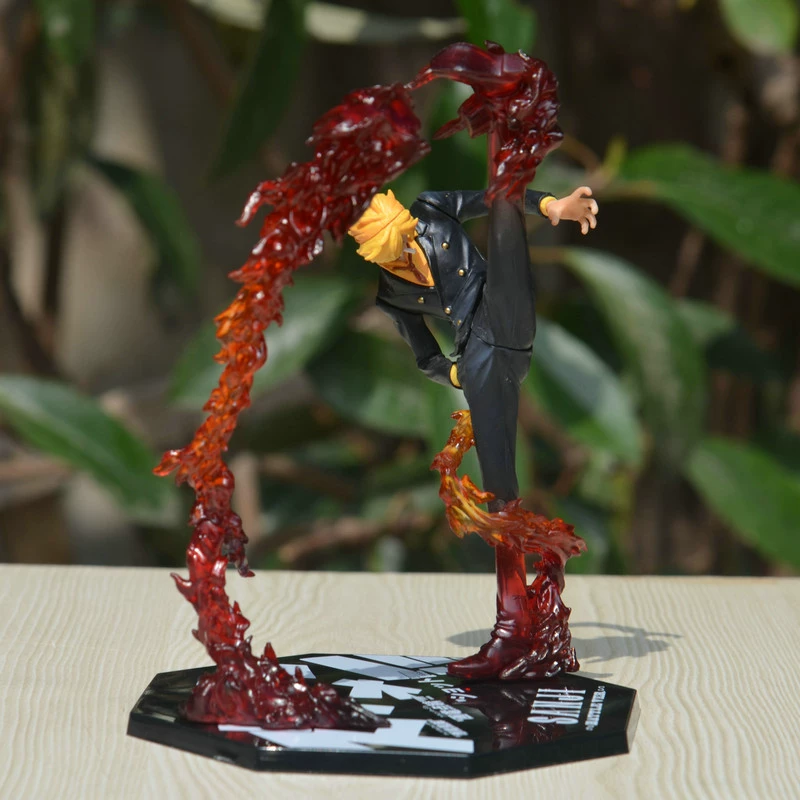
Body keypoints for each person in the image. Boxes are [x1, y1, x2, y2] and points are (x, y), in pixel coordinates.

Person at [348, 185, 598, 678]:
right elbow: (425, 355)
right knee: (499, 486)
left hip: (501, 309)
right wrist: (458, 374)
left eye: (404, 241)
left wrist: (552, 206)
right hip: (478, 356)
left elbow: (496, 197)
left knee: (505, 232)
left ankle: (509, 151)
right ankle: (514, 624)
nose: (404, 252)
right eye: (390, 252)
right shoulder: (391, 295)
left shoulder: (432, 211)